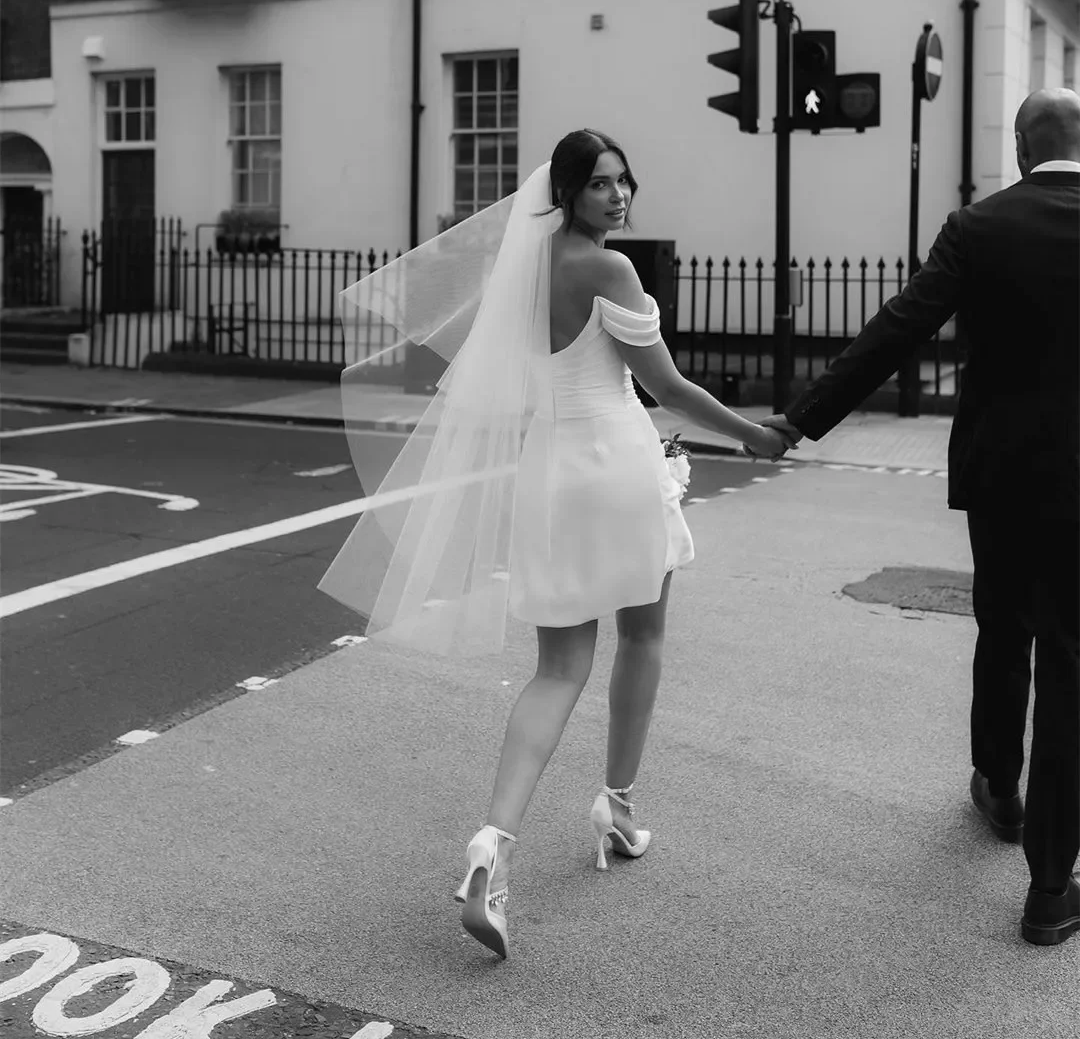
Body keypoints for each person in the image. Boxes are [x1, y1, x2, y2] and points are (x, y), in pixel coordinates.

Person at [319, 129, 794, 960]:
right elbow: (668, 386)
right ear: (568, 192)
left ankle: (494, 843)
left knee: (558, 667)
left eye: (624, 183)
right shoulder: (608, 268)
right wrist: (752, 435)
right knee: (642, 635)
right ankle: (617, 807)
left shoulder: (523, 270)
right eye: (602, 185)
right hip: (614, 463)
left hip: (549, 471)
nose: (618, 198)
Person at [760, 88, 1080, 946]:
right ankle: (1052, 890)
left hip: (1003, 475)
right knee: (1073, 668)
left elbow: (900, 327)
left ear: (1021, 146)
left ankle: (998, 788)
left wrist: (804, 415)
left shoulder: (978, 227)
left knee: (1003, 627)